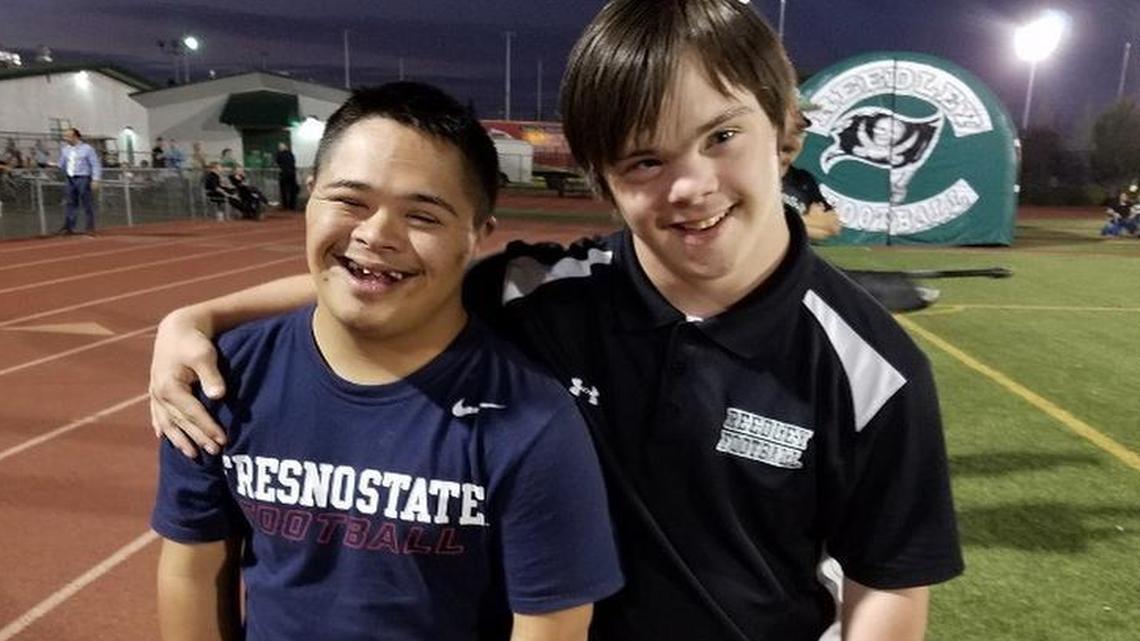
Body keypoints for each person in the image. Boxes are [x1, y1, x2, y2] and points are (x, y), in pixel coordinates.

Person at [149, 2, 963, 639]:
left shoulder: (871, 368)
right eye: (645, 160)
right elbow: (382, 278)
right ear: (606, 180)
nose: (690, 184)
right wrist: (199, 317)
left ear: (785, 131)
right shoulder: (543, 291)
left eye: (721, 136)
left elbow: (886, 583)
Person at [151, 82, 623, 641]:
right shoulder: (219, 378)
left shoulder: (533, 422)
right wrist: (190, 318)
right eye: (350, 201)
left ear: (477, 237)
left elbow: (553, 627)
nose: (375, 234)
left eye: (422, 216)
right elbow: (191, 571)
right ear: (310, 195)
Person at [780, 96, 842, 242]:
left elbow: (831, 224)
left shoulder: (802, 180)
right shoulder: (742, 177)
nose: (799, 122)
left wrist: (786, 227)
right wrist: (802, 225)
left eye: (800, 131)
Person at [57, 127, 101, 235]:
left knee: (87, 203)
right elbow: (61, 164)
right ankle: (69, 227)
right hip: (70, 178)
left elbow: (95, 164)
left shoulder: (87, 149)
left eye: (67, 136)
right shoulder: (65, 150)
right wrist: (51, 165)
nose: (65, 138)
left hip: (83, 178)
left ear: (75, 136)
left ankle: (89, 227)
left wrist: (95, 179)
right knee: (71, 203)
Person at [275, 141, 299, 210]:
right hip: (292, 173)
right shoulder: (291, 154)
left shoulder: (279, 154)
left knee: (284, 191)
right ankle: (292, 206)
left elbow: (277, 163)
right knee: (292, 190)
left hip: (284, 174)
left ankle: (285, 206)